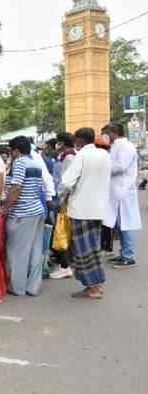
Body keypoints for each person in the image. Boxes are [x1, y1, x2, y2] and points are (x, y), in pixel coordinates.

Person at [57, 128, 111, 299]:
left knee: (83, 250)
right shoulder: (104, 155)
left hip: (81, 209)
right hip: (98, 208)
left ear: (80, 140)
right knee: (93, 247)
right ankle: (96, 284)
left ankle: (93, 287)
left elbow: (66, 182)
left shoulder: (82, 156)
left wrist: (62, 195)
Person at [0, 136, 45, 296]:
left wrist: (5, 207)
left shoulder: (19, 163)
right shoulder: (36, 163)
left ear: (16, 151)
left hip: (22, 213)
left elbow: (16, 188)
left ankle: (17, 287)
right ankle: (33, 287)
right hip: (37, 211)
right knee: (35, 250)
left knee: (16, 252)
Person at [104, 122, 143, 268]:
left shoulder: (125, 146)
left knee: (126, 223)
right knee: (120, 225)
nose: (107, 136)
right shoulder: (117, 146)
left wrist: (105, 168)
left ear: (114, 132)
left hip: (124, 190)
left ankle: (129, 256)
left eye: (108, 133)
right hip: (117, 190)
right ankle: (124, 253)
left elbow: (121, 166)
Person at [49, 132, 76, 279]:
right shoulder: (63, 156)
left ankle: (65, 265)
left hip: (64, 198)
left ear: (63, 142)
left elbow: (67, 181)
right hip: (60, 195)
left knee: (62, 230)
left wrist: (61, 196)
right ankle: (65, 263)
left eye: (58, 141)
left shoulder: (69, 157)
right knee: (61, 229)